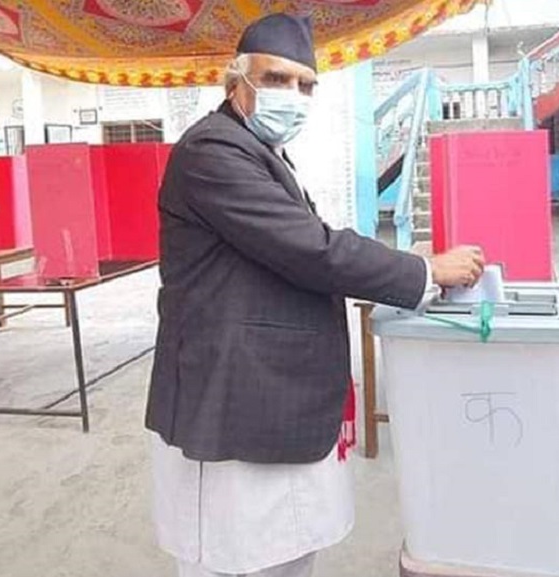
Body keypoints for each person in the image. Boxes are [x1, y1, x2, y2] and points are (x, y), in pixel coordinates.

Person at [144, 12, 485, 577]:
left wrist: (412, 260)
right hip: (231, 392)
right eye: (276, 79)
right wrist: (423, 272)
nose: (293, 96)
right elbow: (311, 248)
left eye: (305, 85)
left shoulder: (261, 152)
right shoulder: (212, 151)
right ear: (236, 82)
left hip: (270, 388)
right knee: (237, 558)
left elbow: (305, 242)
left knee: (285, 554)